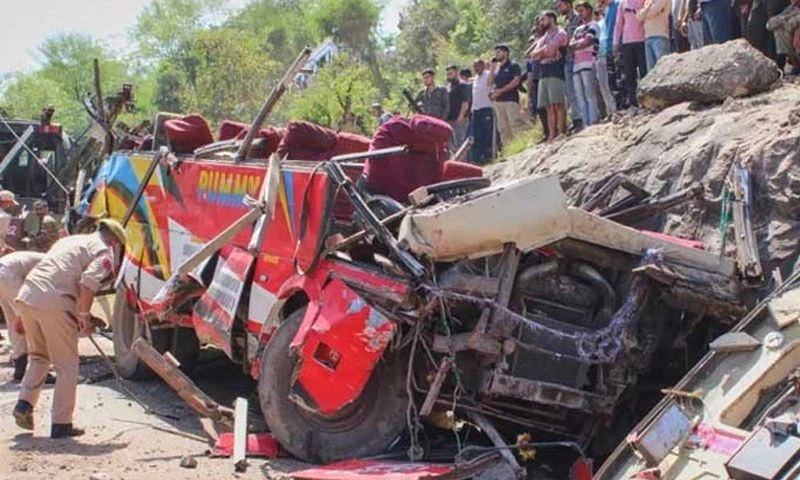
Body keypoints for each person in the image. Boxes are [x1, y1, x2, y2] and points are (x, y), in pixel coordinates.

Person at [13, 219, 127, 439]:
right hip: (54, 301)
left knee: (39, 356)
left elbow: (51, 272)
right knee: (66, 364)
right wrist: (84, 316)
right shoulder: (104, 252)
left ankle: (24, 404)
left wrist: (21, 314)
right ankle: (61, 423)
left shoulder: (70, 241)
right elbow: (88, 282)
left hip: (27, 296)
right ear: (113, 240)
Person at [0, 251, 46, 382]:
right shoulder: (53, 262)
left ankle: (20, 366)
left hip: (4, 273)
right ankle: (39, 369)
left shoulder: (36, 258)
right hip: (9, 275)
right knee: (29, 321)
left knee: (13, 321)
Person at [531, 11, 570, 141]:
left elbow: (551, 51)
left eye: (544, 19)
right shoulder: (543, 37)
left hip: (556, 71)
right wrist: (543, 51)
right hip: (543, 73)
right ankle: (552, 135)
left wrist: (542, 51)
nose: (541, 23)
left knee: (558, 103)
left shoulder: (560, 33)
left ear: (552, 19)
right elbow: (533, 55)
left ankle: (561, 132)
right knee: (548, 106)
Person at [488, 44, 530, 148]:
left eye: (499, 52)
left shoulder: (513, 66)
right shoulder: (497, 69)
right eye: (495, 52)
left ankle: (521, 144)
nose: (496, 54)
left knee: (514, 123)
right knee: (503, 128)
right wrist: (492, 69)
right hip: (498, 102)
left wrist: (501, 91)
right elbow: (489, 83)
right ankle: (509, 148)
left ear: (505, 52)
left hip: (510, 100)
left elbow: (516, 81)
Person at [571, 2, 602, 126]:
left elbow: (588, 42)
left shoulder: (593, 25)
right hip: (577, 64)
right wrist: (578, 44)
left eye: (582, 10)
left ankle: (593, 120)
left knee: (590, 94)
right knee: (580, 96)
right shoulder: (578, 29)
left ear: (589, 10)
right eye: (578, 11)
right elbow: (570, 44)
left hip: (588, 62)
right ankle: (585, 123)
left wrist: (576, 45)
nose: (580, 13)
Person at [557, 0, 585, 131]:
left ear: (568, 4)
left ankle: (585, 117)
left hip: (578, 58)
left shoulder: (578, 18)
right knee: (571, 92)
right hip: (567, 59)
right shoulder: (565, 23)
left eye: (560, 5)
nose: (559, 8)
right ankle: (576, 119)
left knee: (581, 89)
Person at [614, 0, 648, 108]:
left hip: (642, 40)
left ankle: (647, 101)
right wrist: (615, 43)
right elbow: (618, 24)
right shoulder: (623, 3)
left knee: (644, 72)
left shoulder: (644, 1)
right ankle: (634, 103)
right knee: (629, 74)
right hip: (627, 43)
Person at [597, 0, 620, 117]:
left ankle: (620, 108)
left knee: (617, 79)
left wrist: (617, 44)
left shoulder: (618, 5)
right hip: (605, 50)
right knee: (608, 83)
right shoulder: (607, 10)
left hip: (616, 46)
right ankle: (613, 110)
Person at [470, 59, 495, 164]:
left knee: (487, 134)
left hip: (486, 108)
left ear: (483, 66)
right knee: (478, 135)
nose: (476, 69)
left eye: (478, 66)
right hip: (476, 110)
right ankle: (480, 158)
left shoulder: (488, 75)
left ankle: (489, 156)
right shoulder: (475, 79)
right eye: (474, 67)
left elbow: (491, 85)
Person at [637, 0, 672, 69]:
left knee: (662, 68)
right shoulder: (647, 1)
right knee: (651, 71)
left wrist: (645, 12)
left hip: (660, 36)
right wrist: (648, 9)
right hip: (648, 37)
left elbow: (654, 10)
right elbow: (638, 16)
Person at [767, 0, 800, 71]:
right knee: (778, 29)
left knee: (781, 27)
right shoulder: (792, 8)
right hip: (790, 49)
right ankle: (783, 60)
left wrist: (784, 21)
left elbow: (791, 24)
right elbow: (770, 25)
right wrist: (788, 16)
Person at [445, 65, 472, 151]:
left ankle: (462, 163)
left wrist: (461, 115)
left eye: (451, 73)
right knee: (451, 144)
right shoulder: (448, 87)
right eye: (447, 74)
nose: (449, 76)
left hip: (459, 119)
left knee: (460, 143)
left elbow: (465, 102)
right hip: (449, 119)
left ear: (456, 73)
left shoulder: (463, 85)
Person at [0, 190, 19, 255]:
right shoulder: (4, 217)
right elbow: (1, 236)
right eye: (11, 203)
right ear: (6, 202)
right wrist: (4, 247)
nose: (11, 206)